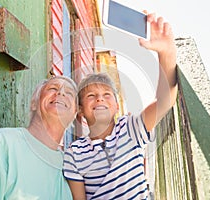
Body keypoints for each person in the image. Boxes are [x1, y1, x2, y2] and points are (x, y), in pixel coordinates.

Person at [63, 12, 177, 200]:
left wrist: (166, 52)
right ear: (81, 110)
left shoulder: (130, 128)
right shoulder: (74, 153)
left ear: (116, 106)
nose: (100, 99)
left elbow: (165, 101)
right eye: (91, 95)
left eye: (107, 95)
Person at [0, 76, 78, 200]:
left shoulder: (71, 167)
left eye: (69, 93)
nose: (61, 93)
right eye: (53, 88)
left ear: (74, 114)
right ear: (34, 103)